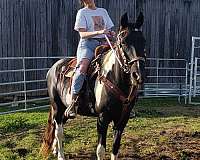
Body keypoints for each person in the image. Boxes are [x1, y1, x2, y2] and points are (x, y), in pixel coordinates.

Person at [65, 0, 115, 118]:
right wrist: (99, 32)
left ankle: (125, 100)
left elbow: (108, 29)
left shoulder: (103, 11)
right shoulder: (82, 12)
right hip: (88, 44)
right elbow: (82, 35)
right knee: (82, 68)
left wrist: (111, 33)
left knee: (118, 62)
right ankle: (73, 100)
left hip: (104, 43)